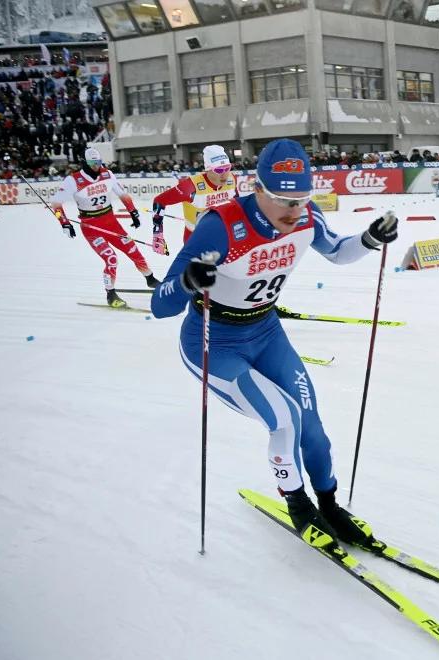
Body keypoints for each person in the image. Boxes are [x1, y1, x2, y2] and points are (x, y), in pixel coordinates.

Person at [149, 138, 400, 547]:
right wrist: (188, 280)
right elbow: (161, 306)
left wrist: (371, 238)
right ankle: (299, 507)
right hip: (213, 343)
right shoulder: (221, 226)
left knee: (313, 427)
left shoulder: (305, 217)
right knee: (284, 418)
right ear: (258, 189)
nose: (294, 211)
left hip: (265, 332)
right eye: (285, 200)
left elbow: (337, 251)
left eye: (302, 199)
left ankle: (330, 505)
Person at [50, 147, 158, 307]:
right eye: (92, 163)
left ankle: (150, 278)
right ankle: (111, 294)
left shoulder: (107, 174)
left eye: (98, 162)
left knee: (132, 249)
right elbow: (56, 204)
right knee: (111, 258)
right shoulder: (73, 180)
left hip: (111, 222)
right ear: (84, 163)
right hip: (92, 227)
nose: (96, 166)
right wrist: (64, 222)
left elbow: (123, 195)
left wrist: (133, 212)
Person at [151, 145, 237, 251]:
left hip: (222, 236)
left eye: (227, 168)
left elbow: (236, 204)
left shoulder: (232, 180)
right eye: (219, 170)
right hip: (195, 238)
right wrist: (157, 234)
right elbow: (160, 201)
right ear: (208, 170)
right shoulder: (191, 186)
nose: (224, 174)